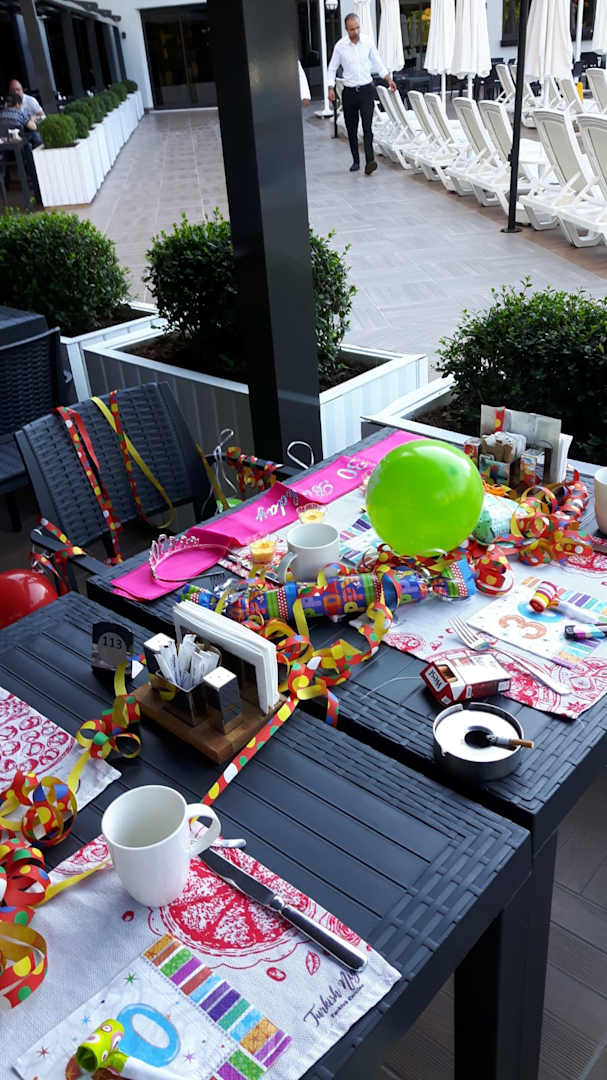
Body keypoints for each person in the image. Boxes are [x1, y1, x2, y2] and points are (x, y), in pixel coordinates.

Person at [327, 13, 396, 175]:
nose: (356, 32)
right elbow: (332, 68)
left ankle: (370, 161)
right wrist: (330, 88)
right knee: (351, 128)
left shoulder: (367, 42)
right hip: (349, 92)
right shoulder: (340, 46)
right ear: (346, 29)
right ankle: (356, 161)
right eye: (352, 29)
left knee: (367, 127)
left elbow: (378, 63)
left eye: (357, 28)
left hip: (366, 90)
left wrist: (388, 79)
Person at [8, 80, 43, 148]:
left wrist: (33, 118)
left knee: (36, 137)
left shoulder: (31, 100)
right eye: (13, 90)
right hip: (16, 132)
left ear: (22, 90)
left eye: (18, 90)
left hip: (30, 130)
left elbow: (42, 116)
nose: (15, 92)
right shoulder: (9, 106)